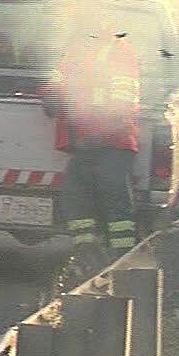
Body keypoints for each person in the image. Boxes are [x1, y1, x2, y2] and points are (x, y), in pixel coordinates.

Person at [40, 19, 142, 264]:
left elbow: (124, 98)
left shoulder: (118, 50)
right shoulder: (75, 50)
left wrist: (103, 133)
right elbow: (56, 81)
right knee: (76, 198)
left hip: (112, 143)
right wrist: (50, 95)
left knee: (114, 201)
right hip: (84, 142)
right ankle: (87, 254)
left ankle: (121, 259)